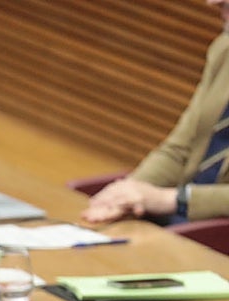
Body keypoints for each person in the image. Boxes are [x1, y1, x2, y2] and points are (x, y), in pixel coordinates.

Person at [83, 0, 229, 225]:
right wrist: (128, 194)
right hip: (187, 220)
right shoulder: (224, 50)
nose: (213, 2)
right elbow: (179, 150)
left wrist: (173, 199)